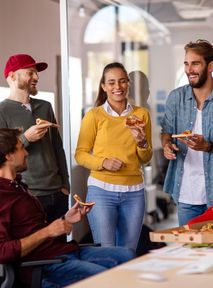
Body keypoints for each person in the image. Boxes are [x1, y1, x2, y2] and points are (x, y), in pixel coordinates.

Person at [0, 128, 135, 287]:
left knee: (128, 255)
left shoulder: (17, 186)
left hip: (62, 252)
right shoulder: (3, 194)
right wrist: (48, 231)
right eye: (21, 148)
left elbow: (32, 228)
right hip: (47, 266)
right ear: (8, 155)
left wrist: (65, 219)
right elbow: (3, 251)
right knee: (107, 280)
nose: (27, 153)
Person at [75, 62, 152, 250]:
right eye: (111, 82)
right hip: (101, 191)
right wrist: (103, 163)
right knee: (106, 250)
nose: (117, 87)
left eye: (122, 81)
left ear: (128, 84)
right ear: (104, 86)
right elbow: (80, 154)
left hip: (134, 193)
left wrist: (141, 142)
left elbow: (145, 157)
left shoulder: (142, 114)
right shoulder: (93, 116)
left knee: (128, 252)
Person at [0, 54, 70, 223]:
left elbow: (57, 148)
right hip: (29, 194)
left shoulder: (45, 106)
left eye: (36, 73)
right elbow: (1, 155)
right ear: (12, 76)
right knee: (37, 246)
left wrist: (65, 185)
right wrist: (26, 138)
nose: (36, 77)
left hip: (58, 192)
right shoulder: (2, 111)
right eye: (30, 72)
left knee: (59, 246)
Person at [161, 39, 213, 226]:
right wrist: (167, 145)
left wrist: (207, 146)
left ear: (210, 66)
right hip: (186, 193)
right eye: (186, 63)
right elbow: (166, 132)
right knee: (188, 248)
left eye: (196, 63)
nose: (189, 69)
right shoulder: (176, 97)